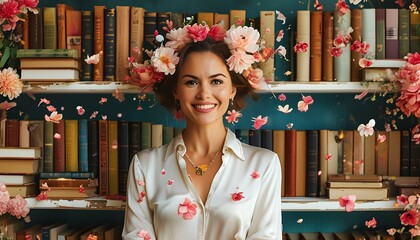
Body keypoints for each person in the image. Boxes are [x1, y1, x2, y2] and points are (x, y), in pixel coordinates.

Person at [122, 23, 282, 240]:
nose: (204, 94)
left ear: (233, 89)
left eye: (216, 81)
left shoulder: (264, 165)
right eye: (191, 82)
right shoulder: (145, 166)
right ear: (176, 91)